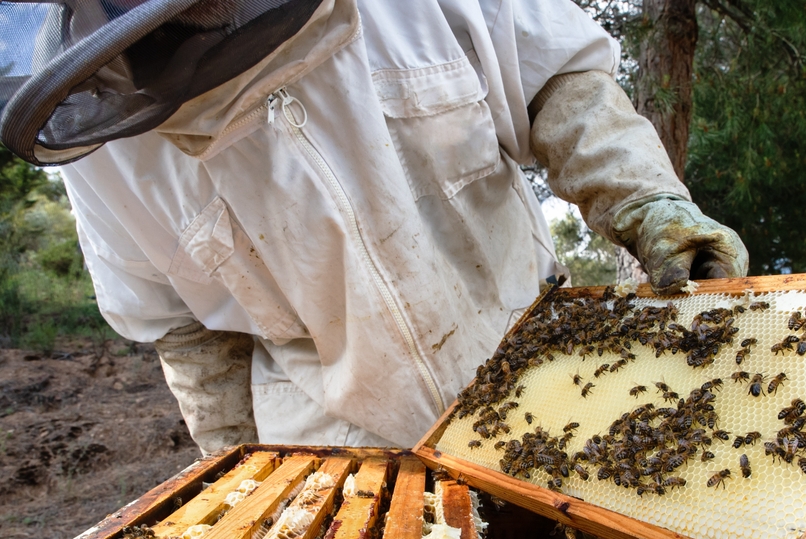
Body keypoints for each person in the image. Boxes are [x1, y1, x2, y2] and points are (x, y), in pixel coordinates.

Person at [0, 0, 748, 454]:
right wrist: (239, 483)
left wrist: (646, 199)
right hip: (343, 461)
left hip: (548, 391)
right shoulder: (103, 155)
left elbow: (556, 80)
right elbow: (189, 335)